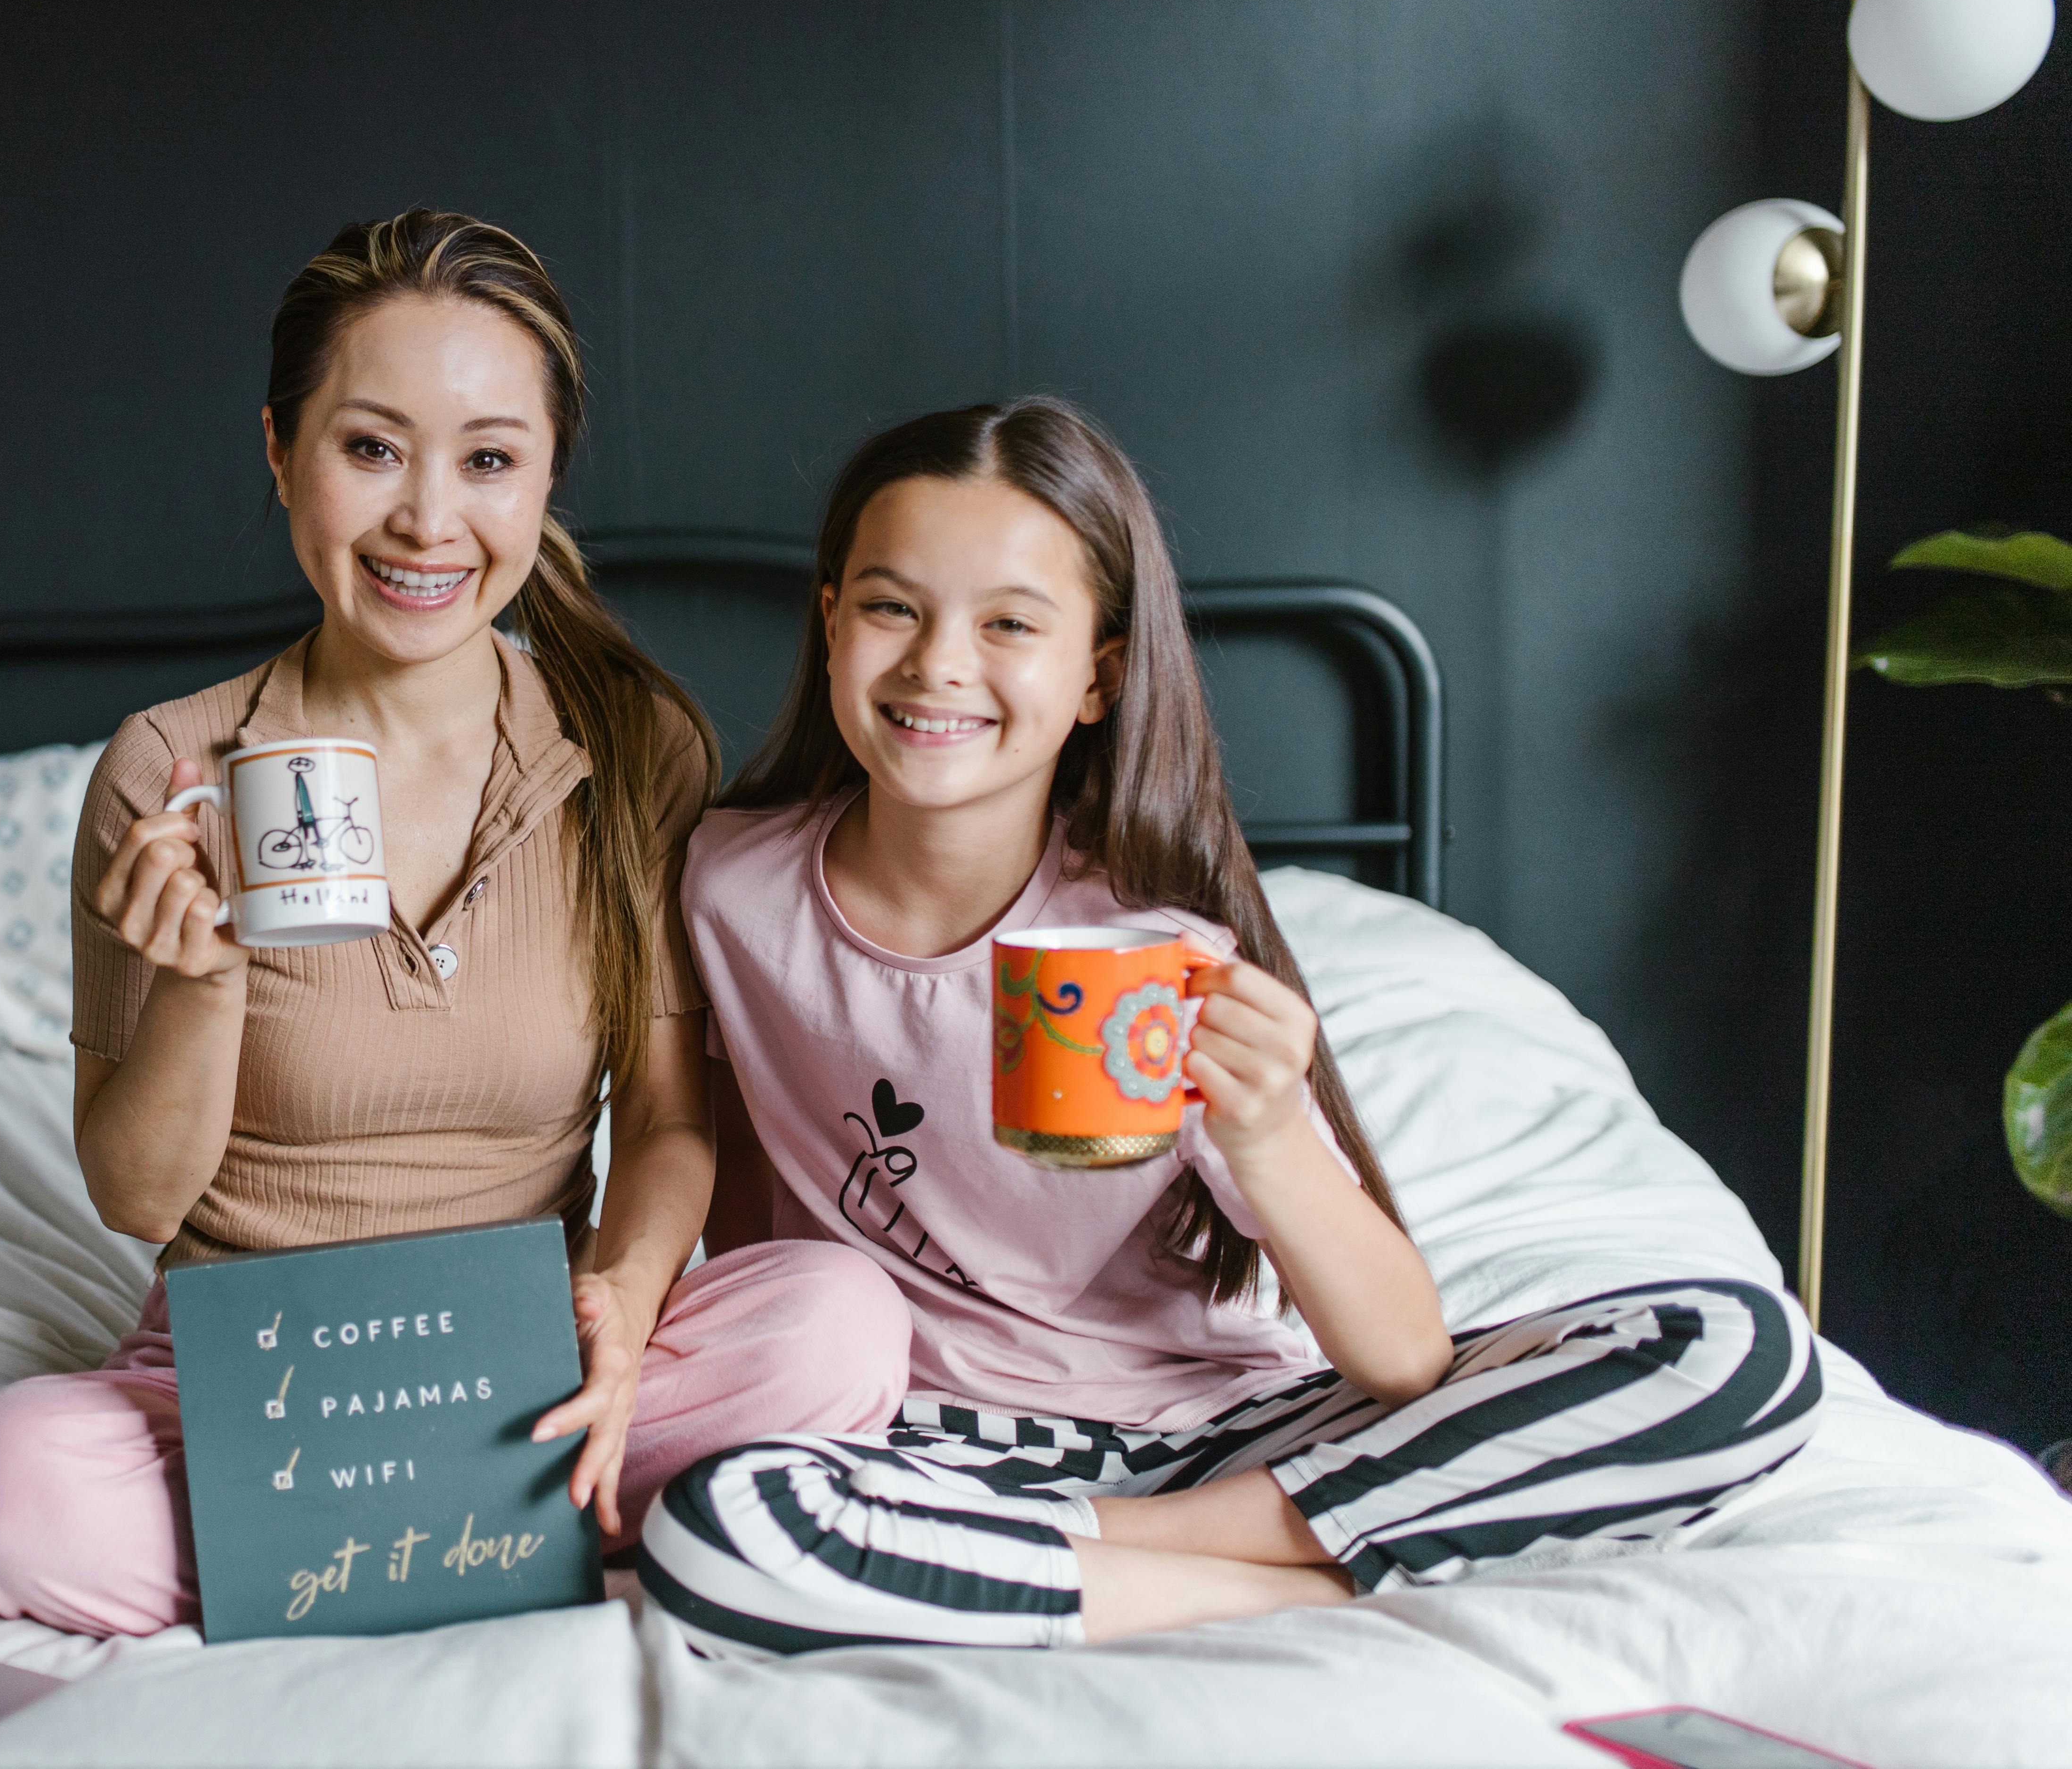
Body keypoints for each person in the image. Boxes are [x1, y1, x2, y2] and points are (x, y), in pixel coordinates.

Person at [639, 397, 1821, 1656]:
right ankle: (1317, 1582)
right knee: (723, 1527)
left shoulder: (1157, 951)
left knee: (1742, 1351)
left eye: (1010, 624)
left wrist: (1266, 1134)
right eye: (892, 606)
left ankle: (1135, 1555)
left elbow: (1405, 1359)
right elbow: (753, 1230)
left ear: (1099, 672)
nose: (939, 661)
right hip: (933, 1449)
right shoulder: (724, 890)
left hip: (1226, 1434)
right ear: (829, 623)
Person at [0, 211, 906, 1639]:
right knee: (5, 1487)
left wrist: (627, 1303)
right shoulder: (171, 767)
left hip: (529, 1357)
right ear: (280, 450)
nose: (429, 521)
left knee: (842, 1317)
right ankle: (524, 1544)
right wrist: (206, 983)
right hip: (251, 1376)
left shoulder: (630, 745)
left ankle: (348, 1556)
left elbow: (674, 1123)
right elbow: (138, 1198)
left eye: (490, 460)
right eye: (370, 447)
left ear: (548, 473)